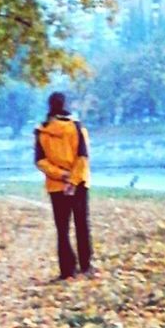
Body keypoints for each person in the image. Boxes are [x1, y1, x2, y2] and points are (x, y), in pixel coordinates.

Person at [34, 91, 93, 280]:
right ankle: (85, 266)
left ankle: (67, 270)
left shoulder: (41, 131)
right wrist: (73, 180)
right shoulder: (76, 127)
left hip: (56, 186)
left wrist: (61, 176)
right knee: (82, 225)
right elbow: (82, 156)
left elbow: (40, 161)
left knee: (62, 229)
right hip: (79, 184)